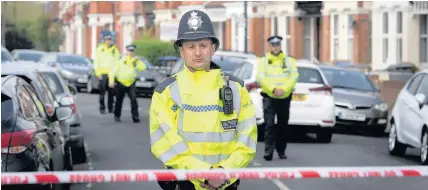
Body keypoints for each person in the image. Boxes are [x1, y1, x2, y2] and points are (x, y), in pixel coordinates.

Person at [149, 10, 257, 190]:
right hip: (186, 184)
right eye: (191, 46)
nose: (198, 52)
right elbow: (165, 144)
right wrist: (203, 173)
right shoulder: (165, 93)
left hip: (226, 182)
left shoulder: (237, 89)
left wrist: (223, 173)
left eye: (203, 45)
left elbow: (247, 139)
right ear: (181, 51)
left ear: (213, 48)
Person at [256, 35, 299, 161]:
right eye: (273, 45)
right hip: (269, 96)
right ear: (270, 46)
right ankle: (268, 152)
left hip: (284, 96)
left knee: (283, 125)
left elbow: (294, 76)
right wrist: (273, 89)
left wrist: (283, 89)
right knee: (269, 125)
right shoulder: (263, 59)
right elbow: (260, 77)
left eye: (277, 45)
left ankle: (281, 150)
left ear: (280, 46)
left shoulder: (289, 59)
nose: (275, 47)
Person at [108, 44, 146, 123]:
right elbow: (112, 71)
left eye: (132, 51)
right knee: (119, 100)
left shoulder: (135, 60)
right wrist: (111, 81)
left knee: (134, 100)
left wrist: (138, 61)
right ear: (126, 51)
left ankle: (135, 117)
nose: (131, 53)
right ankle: (117, 115)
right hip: (121, 83)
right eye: (129, 51)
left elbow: (142, 68)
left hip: (131, 83)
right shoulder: (121, 59)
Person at [93, 33, 120, 114]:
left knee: (111, 92)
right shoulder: (100, 49)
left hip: (111, 74)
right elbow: (96, 61)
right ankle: (102, 108)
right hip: (103, 74)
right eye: (106, 40)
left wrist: (116, 73)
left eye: (109, 40)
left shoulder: (114, 50)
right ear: (104, 41)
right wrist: (98, 73)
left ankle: (110, 108)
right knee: (102, 92)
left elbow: (117, 61)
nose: (108, 42)